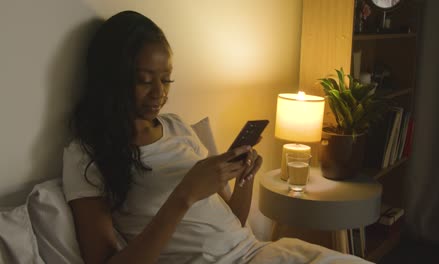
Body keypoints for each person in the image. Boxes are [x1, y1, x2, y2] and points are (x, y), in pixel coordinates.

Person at [63, 10, 371, 264]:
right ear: (113, 78)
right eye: (144, 81)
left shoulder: (178, 128)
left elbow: (235, 220)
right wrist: (184, 195)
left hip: (257, 252)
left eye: (166, 79)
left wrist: (244, 177)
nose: (159, 93)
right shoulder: (86, 156)